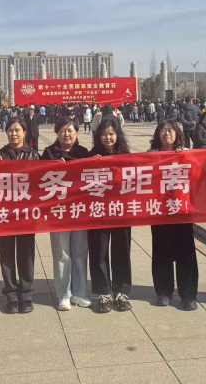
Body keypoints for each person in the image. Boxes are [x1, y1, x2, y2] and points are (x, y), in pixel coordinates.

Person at [41, 117, 91, 311]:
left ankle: (80, 292)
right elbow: (38, 179)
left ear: (77, 132)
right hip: (58, 212)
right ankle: (64, 294)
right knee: (62, 253)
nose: (66, 134)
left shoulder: (84, 153)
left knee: (80, 252)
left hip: (79, 210)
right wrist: (52, 167)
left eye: (70, 130)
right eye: (62, 130)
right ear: (57, 133)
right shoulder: (49, 153)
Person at [148, 120, 199, 310]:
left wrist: (186, 158)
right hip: (159, 210)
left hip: (181, 210)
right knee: (161, 250)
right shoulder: (150, 155)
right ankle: (163, 292)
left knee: (186, 252)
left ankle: (188, 295)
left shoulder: (186, 153)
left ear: (177, 133)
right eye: (162, 130)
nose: (166, 133)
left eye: (170, 130)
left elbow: (198, 174)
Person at [0, 118, 40, 314]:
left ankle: (26, 293)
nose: (14, 133)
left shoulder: (34, 155)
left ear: (24, 132)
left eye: (17, 130)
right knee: (6, 254)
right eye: (10, 130)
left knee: (26, 253)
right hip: (4, 214)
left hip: (26, 214)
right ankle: (11, 294)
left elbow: (40, 183)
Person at [88, 116, 133, 313]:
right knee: (98, 251)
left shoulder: (126, 156)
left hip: (121, 210)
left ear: (117, 135)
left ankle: (121, 292)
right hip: (98, 211)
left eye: (111, 134)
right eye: (104, 134)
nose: (108, 138)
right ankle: (103, 292)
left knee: (122, 250)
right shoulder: (91, 156)